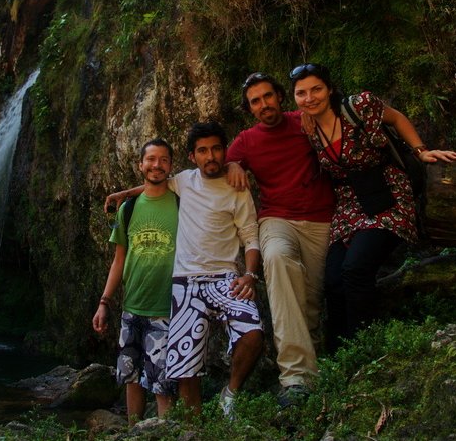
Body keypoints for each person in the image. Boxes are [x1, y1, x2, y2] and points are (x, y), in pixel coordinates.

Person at [289, 62, 456, 352]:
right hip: (349, 204)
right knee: (332, 280)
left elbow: (396, 119)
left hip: (387, 194)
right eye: (301, 93)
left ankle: (365, 347)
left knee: (356, 269)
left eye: (316, 89)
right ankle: (338, 355)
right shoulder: (308, 126)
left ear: (329, 89)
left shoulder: (359, 105)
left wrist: (421, 150)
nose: (310, 98)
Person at [105, 122, 264, 419]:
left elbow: (251, 237)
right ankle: (193, 428)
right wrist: (121, 195)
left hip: (225, 278)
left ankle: (229, 393)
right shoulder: (184, 181)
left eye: (217, 149)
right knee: (185, 367)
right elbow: (155, 182)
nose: (211, 156)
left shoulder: (237, 187)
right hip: (185, 284)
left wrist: (250, 274)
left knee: (253, 333)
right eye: (202, 151)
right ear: (192, 157)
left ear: (224, 150)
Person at [225, 72, 335, 406]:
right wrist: (233, 164)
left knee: (312, 302)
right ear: (249, 108)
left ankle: (315, 368)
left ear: (280, 97)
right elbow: (212, 166)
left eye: (267, 96)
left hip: (321, 219)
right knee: (275, 258)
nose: (263, 105)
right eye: (255, 101)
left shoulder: (303, 122)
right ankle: (295, 377)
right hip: (276, 219)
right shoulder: (245, 141)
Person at [92, 138, 178, 424]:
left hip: (166, 309)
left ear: (171, 166)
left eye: (163, 160)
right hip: (132, 309)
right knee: (131, 376)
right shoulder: (127, 209)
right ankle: (133, 431)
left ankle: (165, 432)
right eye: (151, 159)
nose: (157, 165)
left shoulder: (182, 203)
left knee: (162, 381)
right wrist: (104, 302)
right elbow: (119, 260)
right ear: (140, 164)